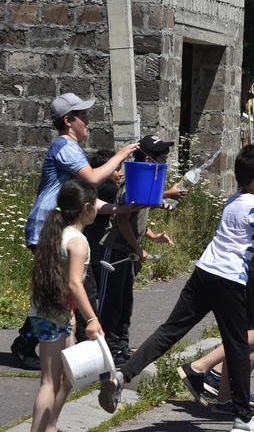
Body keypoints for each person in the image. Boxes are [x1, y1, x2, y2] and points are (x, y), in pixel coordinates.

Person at [99, 145, 254, 431]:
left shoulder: (233, 200)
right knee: (238, 346)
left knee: (170, 331)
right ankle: (243, 418)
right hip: (229, 280)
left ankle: (123, 375)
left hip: (203, 273)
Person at [12, 93, 140, 371]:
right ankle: (30, 344)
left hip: (59, 227)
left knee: (70, 290)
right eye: (83, 116)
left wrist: (121, 210)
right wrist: (121, 154)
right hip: (48, 229)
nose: (89, 122)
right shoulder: (64, 146)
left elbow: (85, 199)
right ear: (68, 121)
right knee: (61, 291)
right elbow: (94, 178)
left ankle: (83, 352)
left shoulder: (72, 150)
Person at [96, 135, 185, 366]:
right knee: (111, 303)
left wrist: (152, 236)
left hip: (129, 253)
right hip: (115, 252)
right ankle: (108, 349)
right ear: (147, 160)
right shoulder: (133, 184)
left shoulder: (147, 184)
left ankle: (122, 347)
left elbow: (137, 219)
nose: (165, 161)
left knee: (126, 303)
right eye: (162, 157)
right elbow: (123, 220)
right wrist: (139, 249)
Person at [29, 179, 104, 432]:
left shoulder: (56, 232)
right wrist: (92, 319)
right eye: (95, 204)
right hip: (53, 317)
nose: (97, 208)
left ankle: (50, 427)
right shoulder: (78, 241)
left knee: (67, 378)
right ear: (86, 207)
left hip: (54, 314)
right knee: (49, 382)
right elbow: (74, 283)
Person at [73, 150, 122, 344]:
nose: (120, 173)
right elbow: (130, 200)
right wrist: (166, 194)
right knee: (91, 298)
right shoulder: (105, 190)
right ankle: (92, 343)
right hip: (93, 255)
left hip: (94, 253)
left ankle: (91, 341)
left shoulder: (101, 190)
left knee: (90, 297)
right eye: (117, 169)